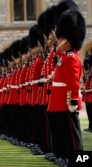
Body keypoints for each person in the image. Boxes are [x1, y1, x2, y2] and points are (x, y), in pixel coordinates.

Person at [47, 9, 86, 167]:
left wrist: (72, 101)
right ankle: (64, 156)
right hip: (57, 100)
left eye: (61, 37)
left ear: (68, 40)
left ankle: (77, 160)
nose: (58, 40)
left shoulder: (70, 58)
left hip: (66, 101)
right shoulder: (63, 57)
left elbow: (73, 83)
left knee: (71, 134)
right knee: (61, 132)